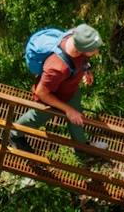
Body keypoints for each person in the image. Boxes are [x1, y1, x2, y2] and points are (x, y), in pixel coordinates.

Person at [10, 23, 105, 152]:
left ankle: (81, 146)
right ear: (81, 50)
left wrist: (86, 70)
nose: (97, 51)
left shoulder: (74, 36)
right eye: (94, 49)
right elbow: (42, 92)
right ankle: (15, 134)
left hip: (70, 89)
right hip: (53, 96)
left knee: (77, 118)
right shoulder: (57, 67)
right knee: (38, 116)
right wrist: (68, 110)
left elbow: (81, 60)